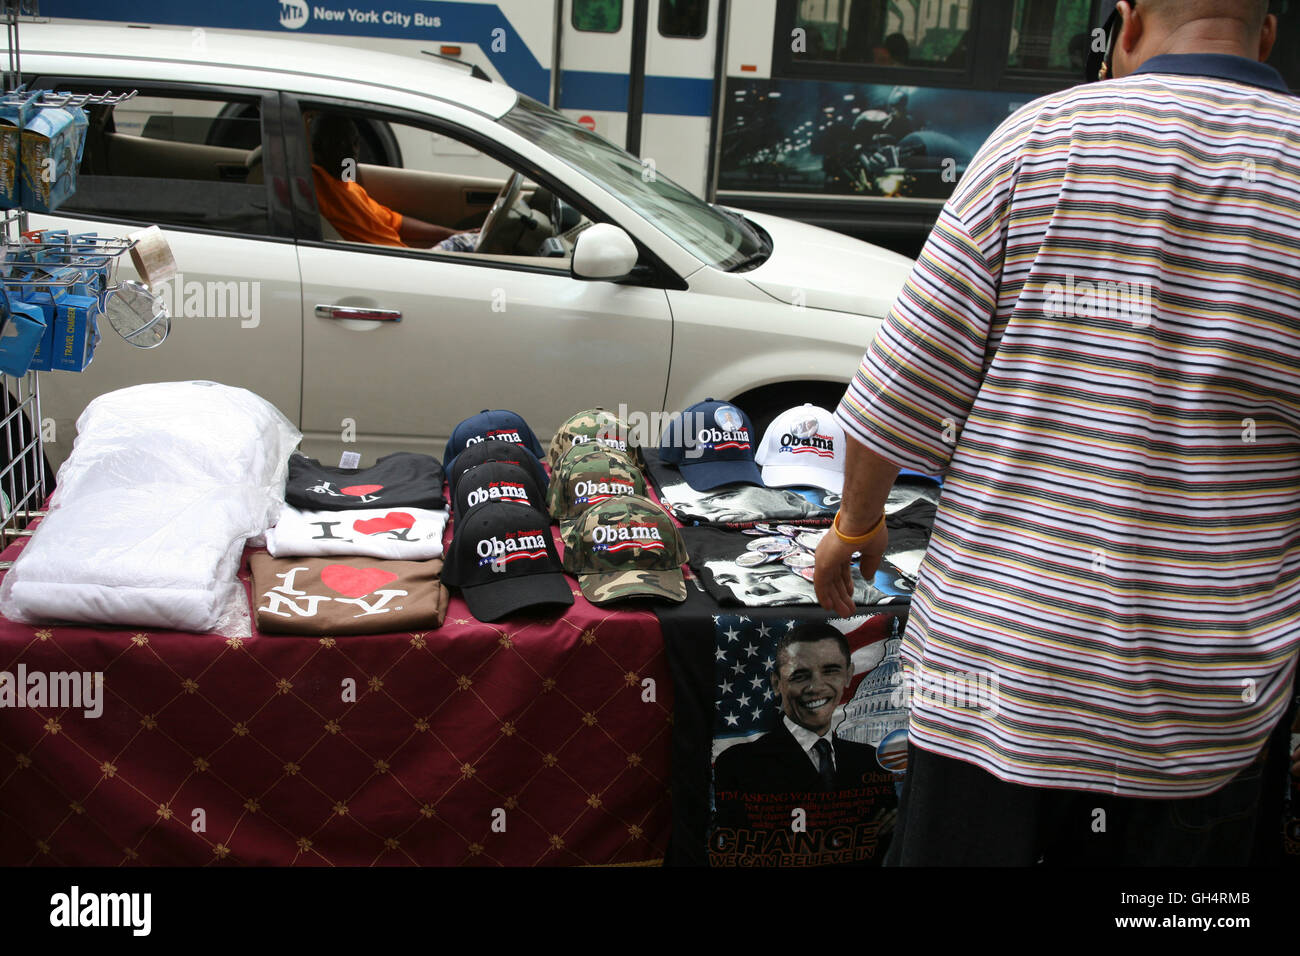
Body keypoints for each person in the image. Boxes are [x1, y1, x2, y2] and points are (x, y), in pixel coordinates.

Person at [814, 0, 1299, 866]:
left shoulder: (1042, 137)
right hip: (1202, 702)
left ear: (1130, 21)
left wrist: (856, 524)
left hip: (996, 678)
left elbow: (901, 388)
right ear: (1266, 35)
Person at [712, 621, 879, 794]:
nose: (816, 687)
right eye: (799, 676)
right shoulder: (737, 764)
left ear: (848, 675)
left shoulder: (870, 760)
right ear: (777, 683)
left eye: (830, 671)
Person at [309, 113, 478, 251]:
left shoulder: (351, 187)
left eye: (355, 143)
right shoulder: (315, 182)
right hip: (393, 267)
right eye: (341, 144)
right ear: (318, 148)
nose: (351, 151)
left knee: (469, 241)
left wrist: (454, 233)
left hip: (405, 258)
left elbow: (397, 223)